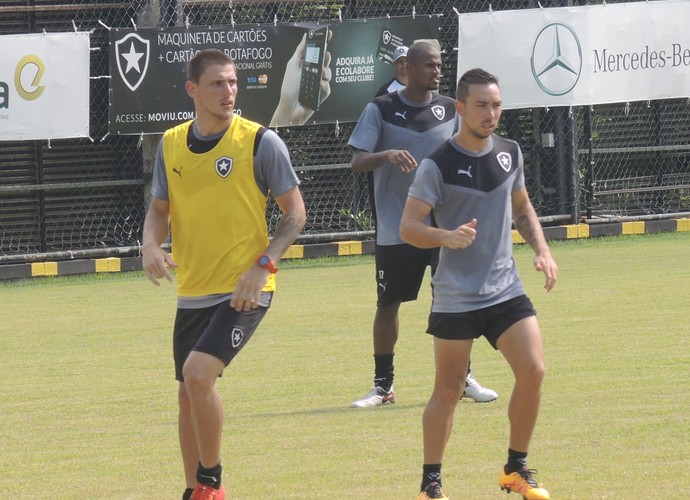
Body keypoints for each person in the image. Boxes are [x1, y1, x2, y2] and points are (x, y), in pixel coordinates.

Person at [141, 49, 306, 500]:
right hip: (193, 289)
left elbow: (295, 215)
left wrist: (262, 265)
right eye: (217, 83)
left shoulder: (259, 142)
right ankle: (194, 488)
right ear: (192, 89)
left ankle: (211, 484)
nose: (228, 91)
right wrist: (151, 245)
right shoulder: (171, 142)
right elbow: (158, 211)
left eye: (233, 83)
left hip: (245, 289)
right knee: (187, 394)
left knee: (198, 376)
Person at [399, 68, 558, 500]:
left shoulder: (510, 152)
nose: (491, 114)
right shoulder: (438, 163)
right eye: (482, 105)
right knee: (448, 390)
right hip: (456, 295)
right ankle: (431, 484)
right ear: (460, 108)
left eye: (496, 105)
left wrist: (541, 250)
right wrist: (444, 236)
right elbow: (409, 226)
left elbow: (522, 207)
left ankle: (516, 469)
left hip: (505, 288)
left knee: (534, 370)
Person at [348, 41, 497, 408]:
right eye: (430, 65)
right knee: (388, 304)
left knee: (454, 300)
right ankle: (383, 388)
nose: (438, 71)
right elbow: (357, 160)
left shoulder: (451, 109)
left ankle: (461, 379)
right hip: (397, 228)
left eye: (440, 65)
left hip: (444, 226)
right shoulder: (379, 109)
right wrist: (385, 155)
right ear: (408, 68)